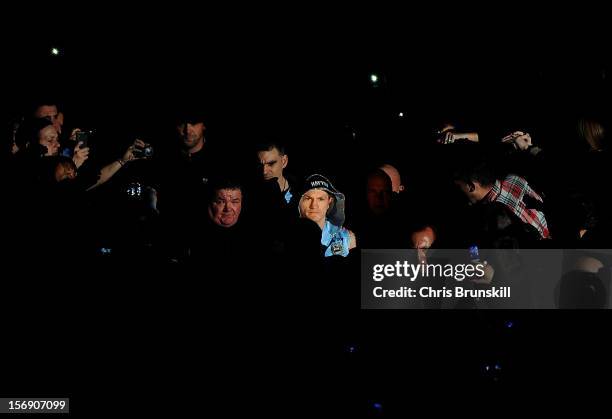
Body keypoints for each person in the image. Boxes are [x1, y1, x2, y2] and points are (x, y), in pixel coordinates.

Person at [298, 174, 356, 257]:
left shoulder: (346, 238)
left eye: (321, 199)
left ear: (329, 202)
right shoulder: (285, 235)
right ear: (299, 202)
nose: (314, 205)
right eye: (308, 198)